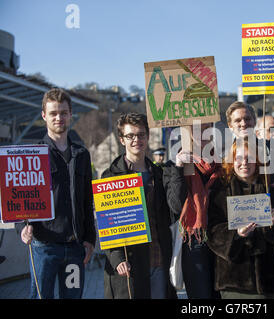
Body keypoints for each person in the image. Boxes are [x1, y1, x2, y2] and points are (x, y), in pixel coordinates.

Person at [19, 88, 96, 299]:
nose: (58, 118)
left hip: (75, 247)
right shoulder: (32, 155)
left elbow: (87, 201)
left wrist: (90, 239)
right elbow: (21, 198)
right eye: (53, 113)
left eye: (63, 112)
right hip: (44, 247)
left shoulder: (81, 155)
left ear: (70, 115)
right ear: (44, 115)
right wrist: (22, 228)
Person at [101, 113, 173, 299]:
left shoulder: (159, 173)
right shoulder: (110, 177)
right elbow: (108, 225)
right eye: (130, 136)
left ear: (148, 137)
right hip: (129, 263)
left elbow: (171, 213)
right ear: (121, 140)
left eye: (141, 134)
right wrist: (118, 259)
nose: (136, 140)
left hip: (158, 258)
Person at [206, 138, 274, 298]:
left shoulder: (270, 191)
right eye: (238, 158)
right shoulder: (220, 191)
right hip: (234, 280)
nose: (244, 163)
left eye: (249, 158)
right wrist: (236, 234)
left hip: (267, 279)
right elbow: (213, 231)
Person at [163, 122, 221, 299]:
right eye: (196, 130)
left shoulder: (221, 164)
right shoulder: (175, 165)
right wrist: (179, 168)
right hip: (194, 242)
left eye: (206, 129)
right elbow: (176, 205)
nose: (202, 134)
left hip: (220, 240)